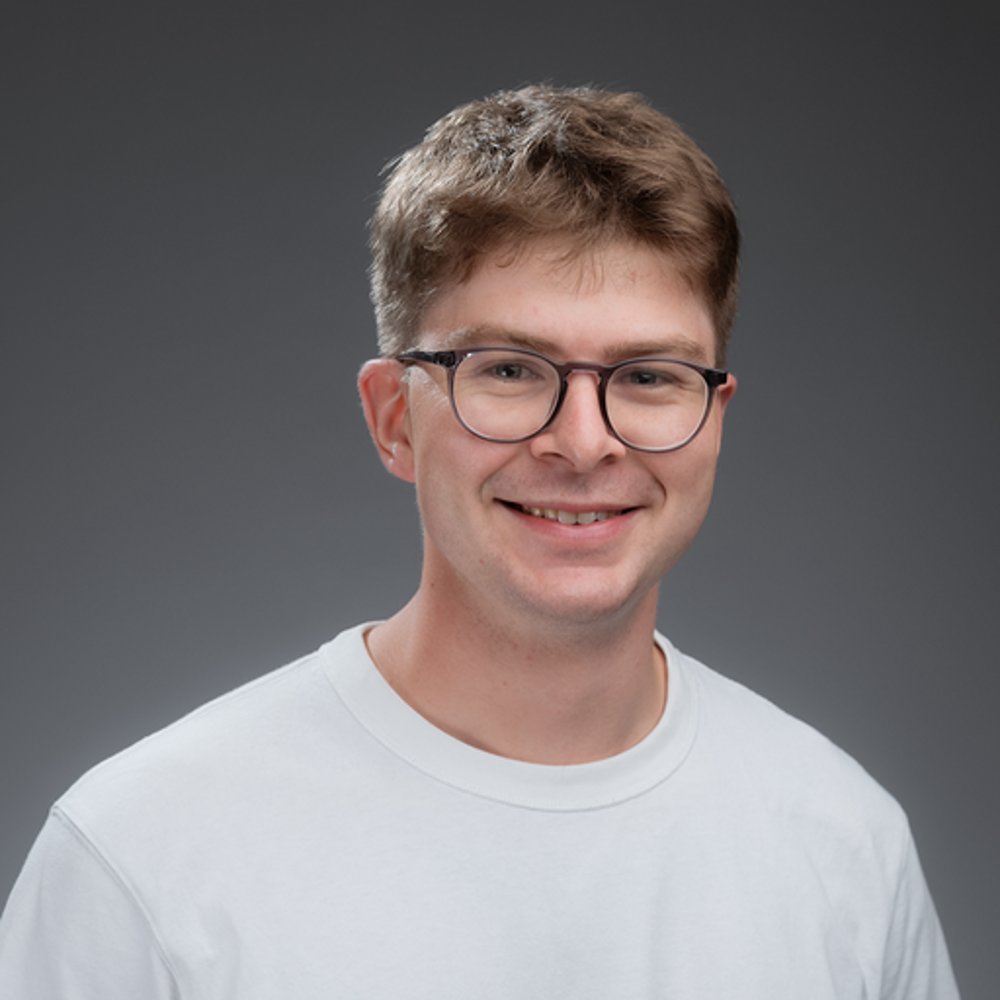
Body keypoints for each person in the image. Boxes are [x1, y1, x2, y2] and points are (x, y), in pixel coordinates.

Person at [0, 84, 959, 998]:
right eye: (507, 368)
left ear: (715, 419)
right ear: (393, 420)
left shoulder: (848, 846)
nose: (584, 443)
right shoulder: (138, 858)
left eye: (649, 377)